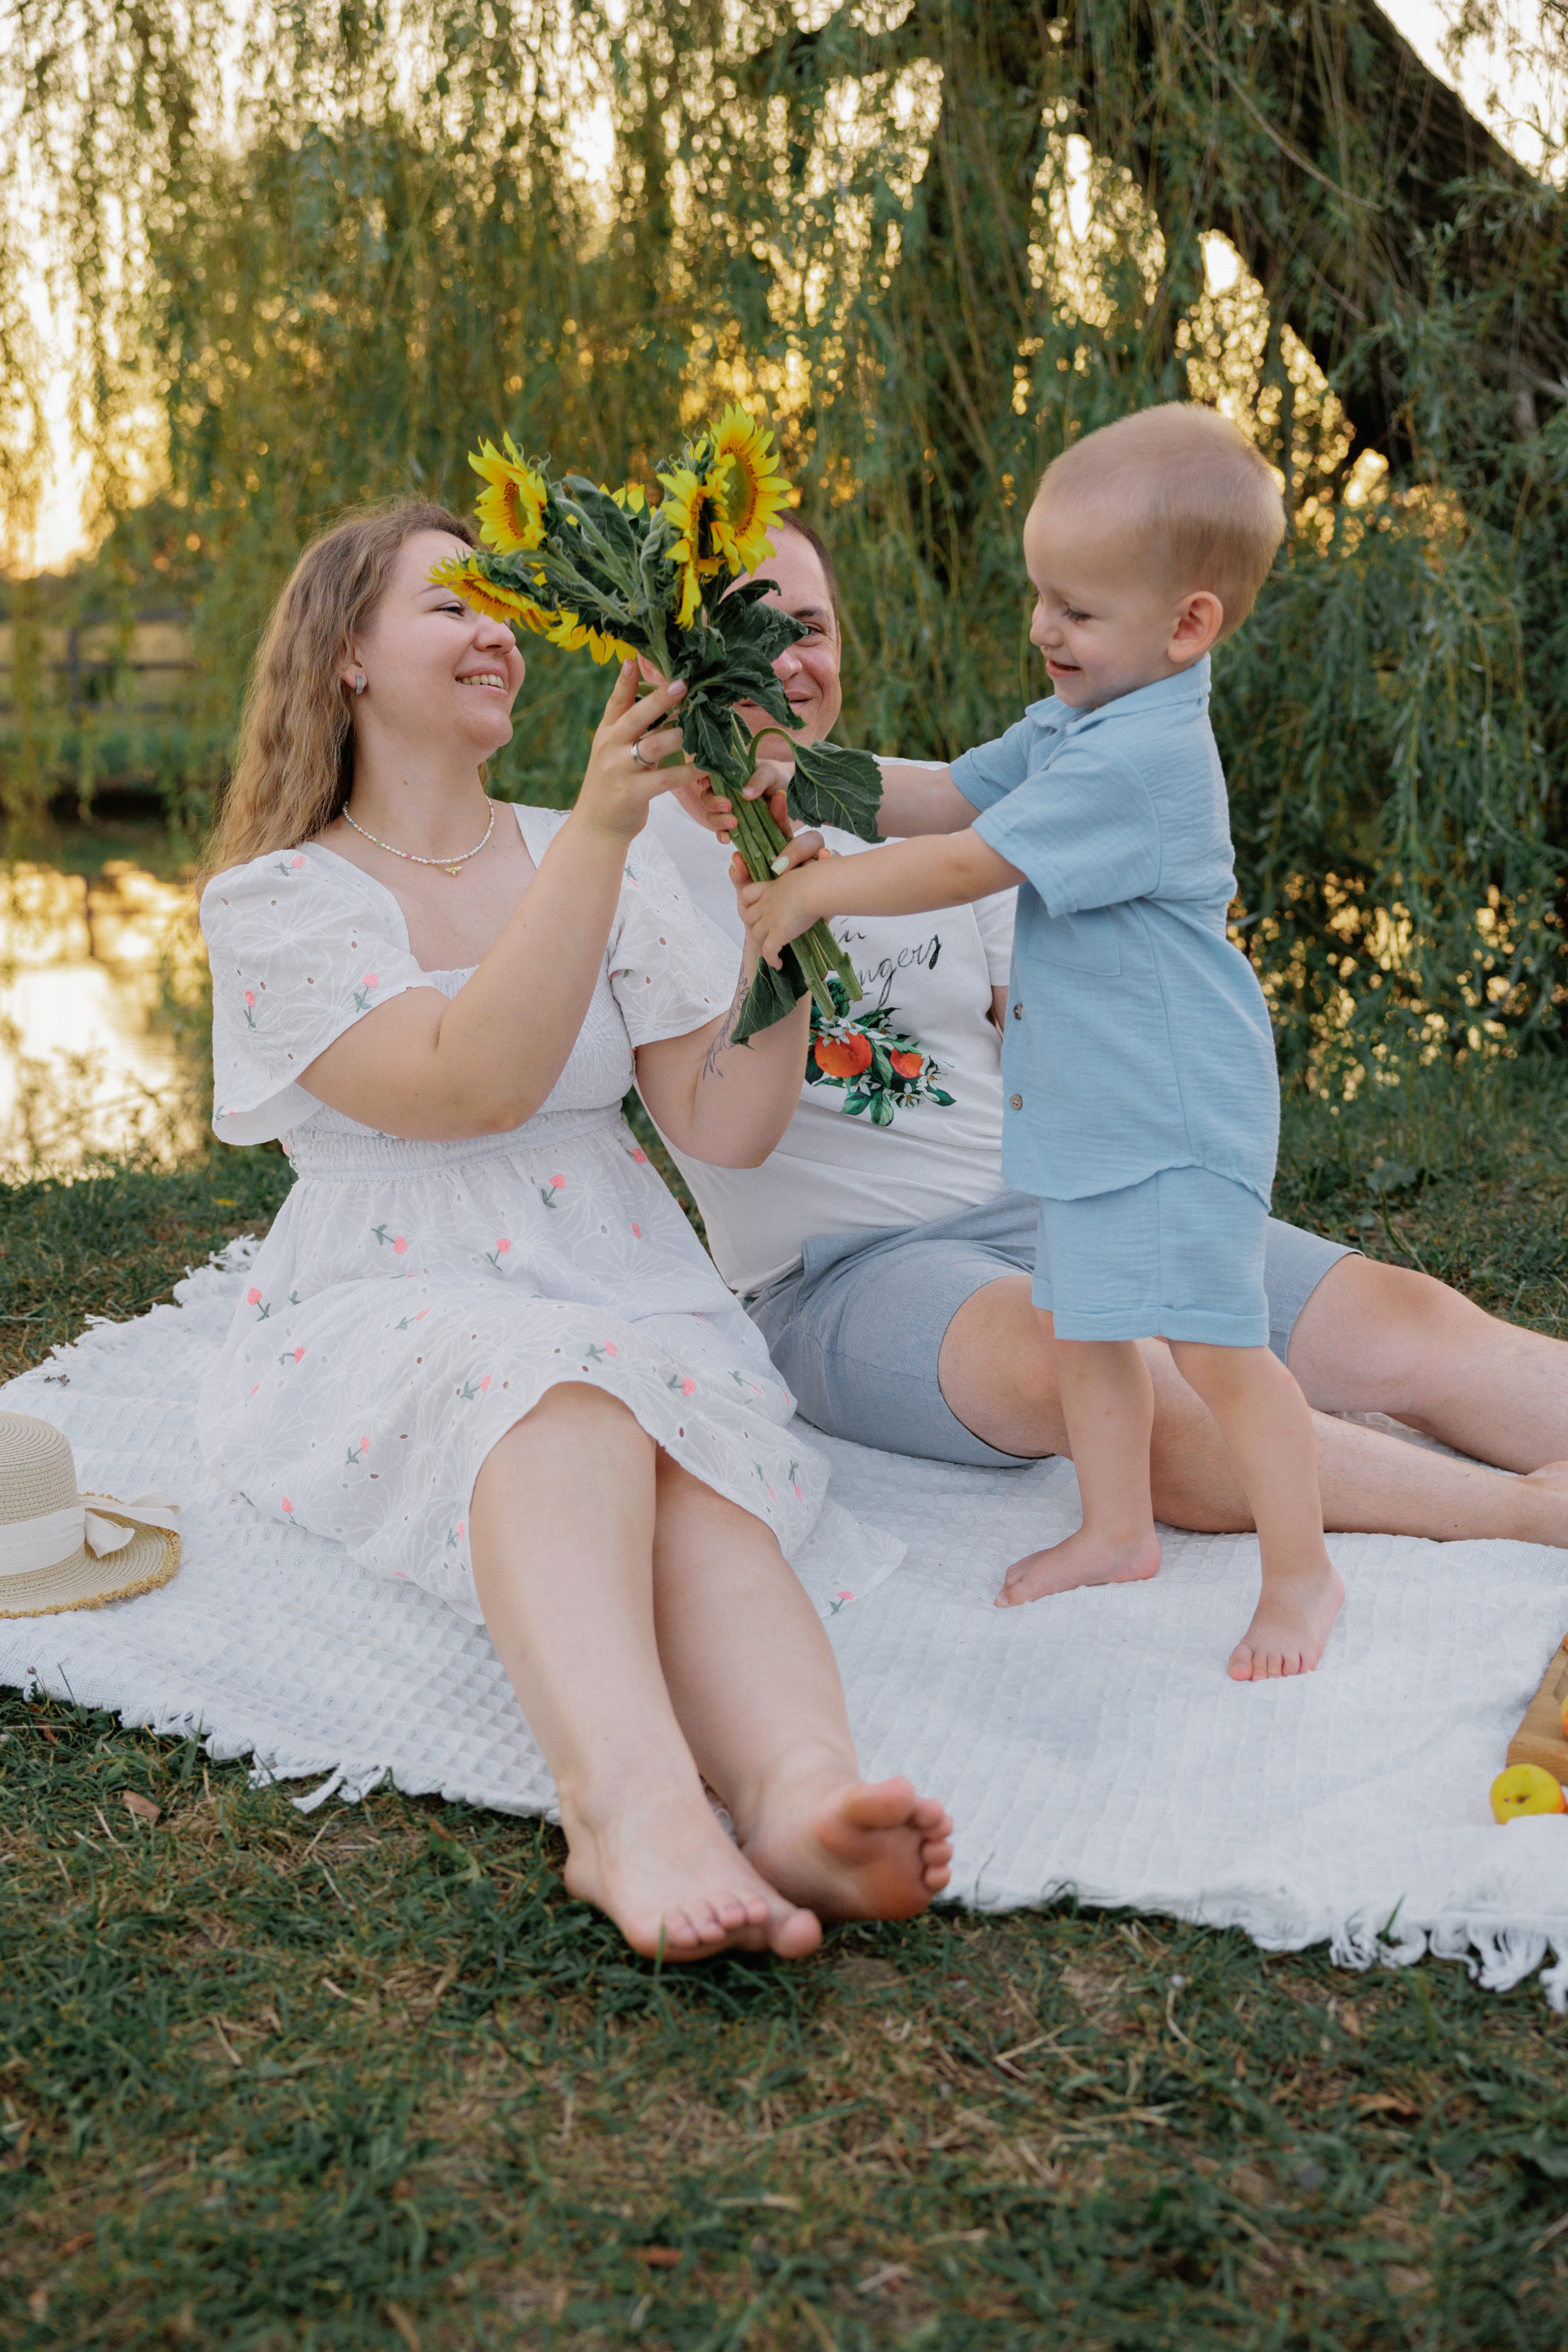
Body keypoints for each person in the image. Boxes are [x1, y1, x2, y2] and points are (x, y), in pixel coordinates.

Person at [196, 498, 953, 1965]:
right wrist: (602, 834)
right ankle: (628, 1808)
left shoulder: (578, 845)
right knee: (554, 1395)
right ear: (344, 654)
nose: (499, 634)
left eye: (505, 610)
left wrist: (775, 927)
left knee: (703, 1473)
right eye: (448, 607)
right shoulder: (276, 901)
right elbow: (467, 1084)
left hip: (613, 1266)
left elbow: (722, 1124)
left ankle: (803, 1792)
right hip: (387, 1293)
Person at [641, 513, 1568, 1577]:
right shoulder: (626, 873)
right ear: (663, 663)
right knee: (1096, 1366)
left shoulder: (929, 805)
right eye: (738, 634)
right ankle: (1526, 1521)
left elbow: (1049, 1022)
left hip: (1056, 1201)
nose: (786, 663)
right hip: (846, 1277)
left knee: (1401, 1317)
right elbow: (721, 1138)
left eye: (808, 627)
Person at [738, 407, 1341, 1682]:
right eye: (1039, 598)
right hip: (1087, 1104)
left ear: (1186, 627)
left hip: (1174, 1106)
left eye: (1076, 610)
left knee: (1221, 1356)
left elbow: (965, 856)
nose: (1040, 630)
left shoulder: (1144, 757)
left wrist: (814, 891)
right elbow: (950, 789)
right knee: (1087, 1331)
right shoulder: (1080, 720)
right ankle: (1119, 1530)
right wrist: (806, 773)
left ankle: (1304, 1575)